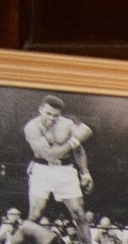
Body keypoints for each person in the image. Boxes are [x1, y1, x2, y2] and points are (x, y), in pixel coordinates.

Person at [23, 93, 93, 228]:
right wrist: (74, 141)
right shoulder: (32, 127)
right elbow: (50, 155)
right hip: (42, 168)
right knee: (35, 214)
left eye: (55, 115)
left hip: (65, 169)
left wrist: (85, 172)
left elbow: (79, 147)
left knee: (79, 213)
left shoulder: (67, 124)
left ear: (60, 114)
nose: (51, 118)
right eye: (48, 114)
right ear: (40, 109)